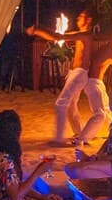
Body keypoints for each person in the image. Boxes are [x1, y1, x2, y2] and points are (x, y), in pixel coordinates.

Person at [26, 9, 96, 146]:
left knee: (61, 103)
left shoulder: (86, 35)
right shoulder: (81, 35)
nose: (78, 18)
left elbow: (57, 37)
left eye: (81, 16)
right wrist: (39, 31)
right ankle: (80, 135)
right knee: (71, 106)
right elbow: (56, 37)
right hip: (76, 73)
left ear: (88, 20)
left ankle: (59, 139)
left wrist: (38, 29)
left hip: (80, 73)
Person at [64, 88, 112, 179]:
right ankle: (105, 177)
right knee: (70, 168)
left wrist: (94, 159)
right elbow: (109, 141)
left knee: (74, 170)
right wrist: (95, 156)